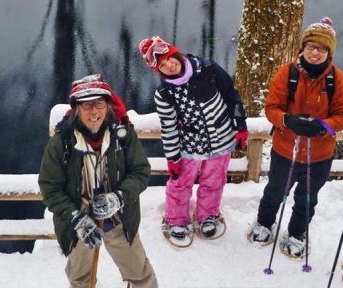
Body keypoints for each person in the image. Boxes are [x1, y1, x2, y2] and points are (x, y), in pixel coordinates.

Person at [38, 74, 158, 288]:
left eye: (99, 104)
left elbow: (140, 171)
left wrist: (119, 197)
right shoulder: (62, 142)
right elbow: (50, 187)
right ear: (77, 109)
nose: (94, 111)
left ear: (108, 106)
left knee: (139, 272)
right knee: (79, 278)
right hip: (78, 219)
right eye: (86, 105)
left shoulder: (122, 135)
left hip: (118, 217)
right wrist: (76, 219)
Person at [247, 17, 343, 258]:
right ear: (303, 48)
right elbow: (271, 107)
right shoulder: (288, 73)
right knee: (275, 190)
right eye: (311, 47)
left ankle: (296, 233)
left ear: (329, 53)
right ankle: (264, 223)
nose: (315, 53)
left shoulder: (337, 80)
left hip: (320, 155)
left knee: (307, 198)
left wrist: (324, 126)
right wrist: (287, 120)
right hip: (286, 150)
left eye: (322, 49)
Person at [138, 36, 249, 241]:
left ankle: (208, 215)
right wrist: (172, 158)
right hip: (189, 142)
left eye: (170, 58)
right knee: (180, 182)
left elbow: (231, 95)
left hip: (221, 137)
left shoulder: (206, 68)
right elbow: (169, 127)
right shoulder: (164, 93)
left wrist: (240, 125)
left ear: (176, 53)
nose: (170, 65)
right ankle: (176, 218)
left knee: (214, 180)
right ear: (158, 70)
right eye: (162, 65)